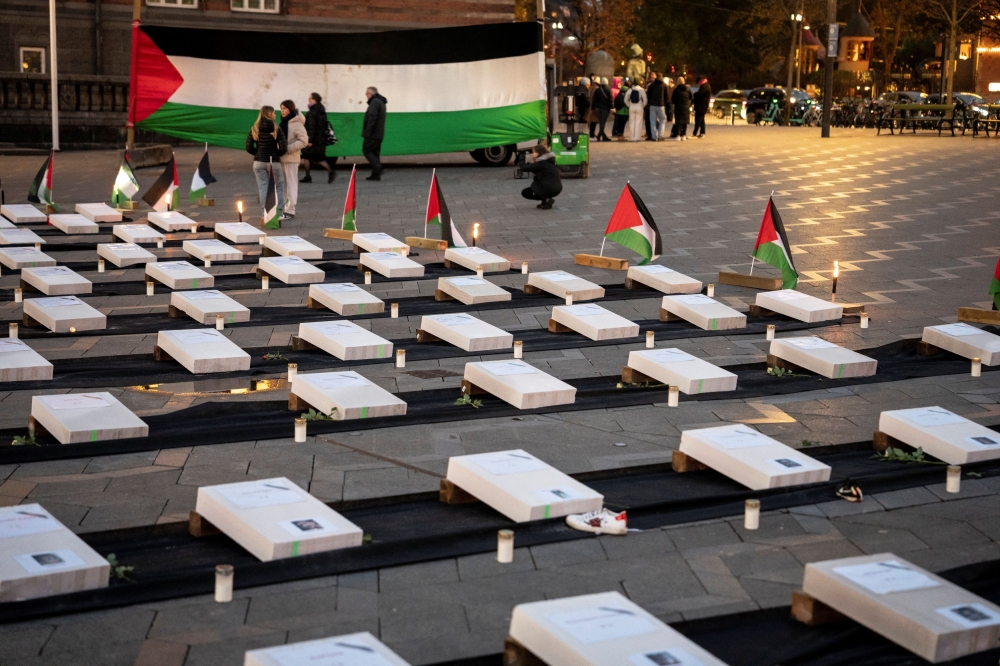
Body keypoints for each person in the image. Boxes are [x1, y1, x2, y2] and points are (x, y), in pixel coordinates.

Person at [245, 105, 286, 218]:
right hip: (274, 162)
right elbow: (283, 147)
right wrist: (277, 154)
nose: (275, 114)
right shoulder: (276, 128)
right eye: (273, 113)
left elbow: (248, 147)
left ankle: (265, 213)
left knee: (263, 187)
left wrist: (257, 153)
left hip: (258, 162)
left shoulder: (255, 128)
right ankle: (279, 212)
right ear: (269, 114)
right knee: (278, 186)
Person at [278, 100, 308, 219]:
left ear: (290, 109)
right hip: (282, 157)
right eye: (281, 109)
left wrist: (289, 148)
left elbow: (304, 140)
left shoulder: (297, 123)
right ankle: (284, 208)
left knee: (291, 183)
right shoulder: (283, 123)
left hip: (291, 157)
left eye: (284, 108)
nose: (282, 111)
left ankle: (290, 210)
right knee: (284, 184)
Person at [300, 93, 336, 183]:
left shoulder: (312, 112)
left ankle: (329, 171)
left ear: (314, 100)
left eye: (310, 98)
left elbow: (311, 127)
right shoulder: (321, 111)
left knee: (314, 157)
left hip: (313, 139)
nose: (308, 99)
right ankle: (308, 176)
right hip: (320, 139)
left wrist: (310, 140)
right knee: (310, 157)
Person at [520, 143, 562, 210]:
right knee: (539, 182)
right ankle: (545, 201)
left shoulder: (541, 163)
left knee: (527, 191)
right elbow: (538, 170)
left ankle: (547, 200)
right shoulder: (549, 161)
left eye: (534, 152)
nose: (533, 154)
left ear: (538, 153)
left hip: (549, 188)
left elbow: (523, 168)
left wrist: (521, 157)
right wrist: (529, 165)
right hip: (557, 188)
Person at [362, 86, 387, 181]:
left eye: (366, 94)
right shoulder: (380, 102)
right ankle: (375, 175)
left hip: (373, 133)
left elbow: (372, 117)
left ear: (370, 94)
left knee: (367, 150)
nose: (366, 96)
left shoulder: (374, 102)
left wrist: (368, 132)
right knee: (375, 153)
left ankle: (379, 168)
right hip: (378, 133)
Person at [669, 76, 692, 140]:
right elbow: (691, 97)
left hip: (678, 108)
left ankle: (678, 135)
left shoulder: (676, 90)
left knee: (678, 122)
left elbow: (673, 99)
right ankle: (684, 135)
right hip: (686, 107)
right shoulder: (688, 89)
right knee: (685, 122)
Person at [646, 73, 667, 141]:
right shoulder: (664, 85)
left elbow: (648, 95)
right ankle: (660, 136)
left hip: (652, 105)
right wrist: (665, 104)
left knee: (652, 121)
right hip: (661, 105)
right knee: (662, 120)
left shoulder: (652, 85)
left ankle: (654, 136)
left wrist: (649, 103)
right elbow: (666, 97)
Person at [592, 77, 612, 141]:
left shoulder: (597, 90)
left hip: (598, 108)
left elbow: (594, 100)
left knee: (601, 122)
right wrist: (612, 107)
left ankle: (603, 136)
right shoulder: (608, 90)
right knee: (603, 123)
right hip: (606, 109)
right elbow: (611, 100)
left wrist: (593, 107)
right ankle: (599, 135)